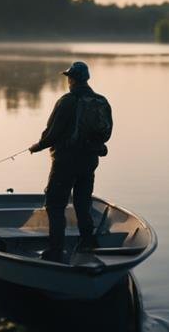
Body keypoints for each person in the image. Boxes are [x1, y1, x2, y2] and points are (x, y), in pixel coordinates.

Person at [29, 61, 111, 263]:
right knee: (83, 203)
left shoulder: (66, 101)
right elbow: (106, 134)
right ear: (87, 79)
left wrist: (37, 146)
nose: (68, 81)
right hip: (89, 161)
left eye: (69, 77)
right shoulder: (101, 101)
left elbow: (52, 134)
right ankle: (88, 243)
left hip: (65, 162)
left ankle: (56, 251)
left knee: (55, 205)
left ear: (72, 79)